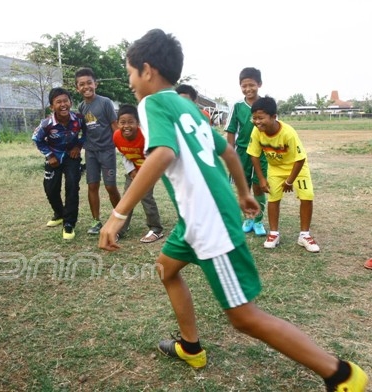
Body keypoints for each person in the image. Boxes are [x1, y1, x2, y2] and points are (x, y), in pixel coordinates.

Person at [98, 28, 368, 391]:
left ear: (147, 70)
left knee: (242, 316)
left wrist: (118, 215)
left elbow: (162, 154)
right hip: (195, 218)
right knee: (166, 269)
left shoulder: (152, 104)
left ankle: (342, 375)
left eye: (130, 72)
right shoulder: (184, 105)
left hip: (208, 221)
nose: (130, 82)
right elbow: (225, 152)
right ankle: (191, 347)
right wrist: (243, 193)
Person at [247, 96, 320, 253]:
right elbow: (254, 155)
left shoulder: (288, 133)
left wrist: (289, 181)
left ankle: (304, 235)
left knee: (307, 196)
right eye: (254, 118)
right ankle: (274, 234)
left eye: (261, 118)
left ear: (273, 117)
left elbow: (300, 159)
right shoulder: (257, 131)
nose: (257, 122)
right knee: (273, 198)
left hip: (296, 167)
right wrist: (261, 179)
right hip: (275, 168)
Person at [32, 87, 86, 240]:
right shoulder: (46, 124)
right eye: (58, 102)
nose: (63, 105)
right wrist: (49, 155)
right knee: (50, 188)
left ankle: (69, 223)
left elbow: (86, 134)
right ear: (52, 106)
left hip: (71, 157)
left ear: (70, 102)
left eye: (66, 101)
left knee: (72, 186)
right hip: (54, 158)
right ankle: (59, 214)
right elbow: (37, 139)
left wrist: (78, 146)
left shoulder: (79, 119)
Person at [75, 67, 121, 235]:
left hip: (107, 150)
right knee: (92, 185)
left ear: (96, 84)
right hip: (91, 152)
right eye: (82, 84)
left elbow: (115, 126)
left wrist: (122, 148)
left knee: (110, 186)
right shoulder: (81, 107)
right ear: (77, 88)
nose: (86, 87)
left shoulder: (105, 102)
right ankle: (96, 221)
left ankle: (121, 220)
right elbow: (83, 130)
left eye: (89, 83)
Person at [224, 67, 268, 237]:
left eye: (252, 85)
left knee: (258, 186)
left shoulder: (266, 104)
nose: (248, 89)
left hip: (261, 152)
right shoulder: (237, 106)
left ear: (259, 84)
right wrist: (230, 155)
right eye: (244, 85)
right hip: (242, 152)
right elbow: (230, 130)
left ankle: (258, 221)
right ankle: (248, 218)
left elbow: (274, 127)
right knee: (244, 188)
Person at [112, 103, 164, 243]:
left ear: (138, 123)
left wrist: (143, 176)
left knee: (146, 197)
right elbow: (124, 154)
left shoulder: (145, 136)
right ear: (117, 124)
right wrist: (131, 171)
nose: (126, 126)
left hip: (150, 169)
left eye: (131, 122)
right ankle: (120, 229)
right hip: (134, 172)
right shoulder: (117, 136)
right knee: (127, 200)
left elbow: (154, 157)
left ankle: (156, 229)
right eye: (122, 122)